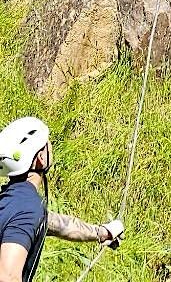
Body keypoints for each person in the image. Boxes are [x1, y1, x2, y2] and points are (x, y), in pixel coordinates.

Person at [0, 116, 123, 279]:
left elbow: (51, 223)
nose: (51, 146)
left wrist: (101, 232)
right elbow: (7, 276)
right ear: (40, 159)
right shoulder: (27, 208)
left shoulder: (13, 201)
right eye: (47, 143)